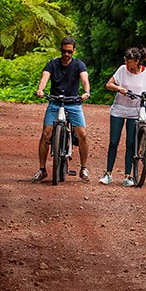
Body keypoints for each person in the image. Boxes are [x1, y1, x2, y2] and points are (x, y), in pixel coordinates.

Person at [100, 47, 146, 185]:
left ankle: (128, 176)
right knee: (113, 141)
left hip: (135, 111)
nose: (127, 63)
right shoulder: (122, 70)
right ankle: (108, 173)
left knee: (131, 143)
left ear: (137, 61)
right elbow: (109, 84)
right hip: (119, 109)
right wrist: (119, 88)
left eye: (129, 61)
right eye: (126, 60)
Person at [32, 37, 90, 182]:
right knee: (46, 134)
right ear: (60, 50)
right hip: (55, 102)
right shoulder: (52, 64)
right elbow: (45, 78)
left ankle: (83, 168)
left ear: (73, 51)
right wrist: (40, 89)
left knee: (82, 135)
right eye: (64, 51)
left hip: (73, 102)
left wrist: (86, 91)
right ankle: (42, 169)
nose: (66, 54)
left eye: (69, 52)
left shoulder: (79, 65)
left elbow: (84, 80)